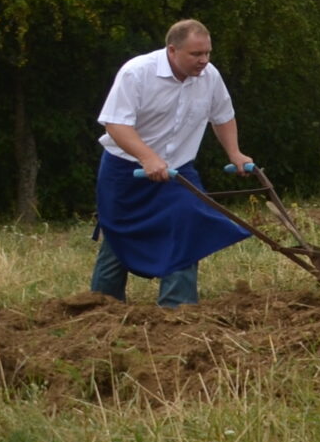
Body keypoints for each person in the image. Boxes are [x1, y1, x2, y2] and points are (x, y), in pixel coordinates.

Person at [92, 19, 256, 307]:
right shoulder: (137, 73)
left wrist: (235, 152)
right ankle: (100, 307)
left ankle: (177, 310)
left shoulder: (209, 76)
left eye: (207, 53)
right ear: (172, 50)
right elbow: (116, 124)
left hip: (178, 170)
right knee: (119, 239)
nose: (203, 61)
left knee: (188, 224)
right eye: (196, 54)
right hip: (126, 171)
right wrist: (147, 156)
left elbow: (222, 115)